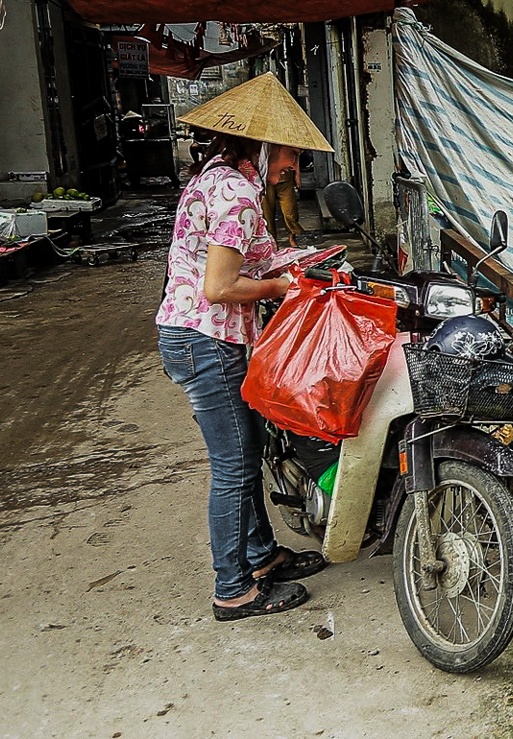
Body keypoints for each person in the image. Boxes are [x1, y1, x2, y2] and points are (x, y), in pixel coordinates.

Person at [156, 73, 334, 620]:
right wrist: (281, 287)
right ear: (264, 145)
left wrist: (302, 261)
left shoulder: (221, 177)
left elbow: (243, 263)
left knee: (248, 450)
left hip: (206, 339)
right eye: (290, 157)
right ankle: (233, 590)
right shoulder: (235, 193)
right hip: (205, 341)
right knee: (234, 465)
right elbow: (220, 287)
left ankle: (260, 556)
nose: (293, 171)